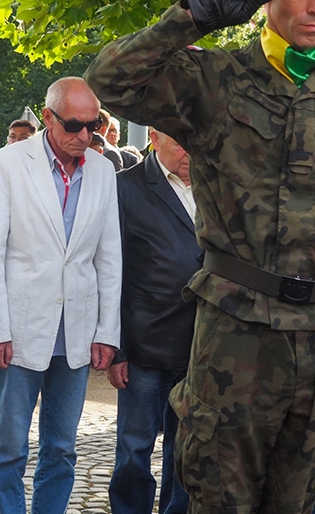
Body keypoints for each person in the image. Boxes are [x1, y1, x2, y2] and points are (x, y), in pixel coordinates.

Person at [85, 0, 315, 512]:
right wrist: (197, 18)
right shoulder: (217, 81)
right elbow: (108, 81)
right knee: (218, 500)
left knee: (301, 503)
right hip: (237, 336)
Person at [0, 76, 122, 514]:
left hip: (77, 330)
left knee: (62, 449)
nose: (85, 135)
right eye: (74, 125)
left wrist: (107, 332)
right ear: (48, 117)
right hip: (18, 330)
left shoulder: (102, 170)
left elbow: (109, 258)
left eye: (93, 125)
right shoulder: (7, 162)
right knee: (9, 448)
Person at [108, 128, 201, 514]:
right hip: (145, 343)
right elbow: (110, 272)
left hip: (203, 344)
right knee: (134, 448)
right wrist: (117, 348)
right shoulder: (125, 187)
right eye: (180, 140)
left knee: (186, 449)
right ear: (154, 137)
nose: (189, 150)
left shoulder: (218, 186)